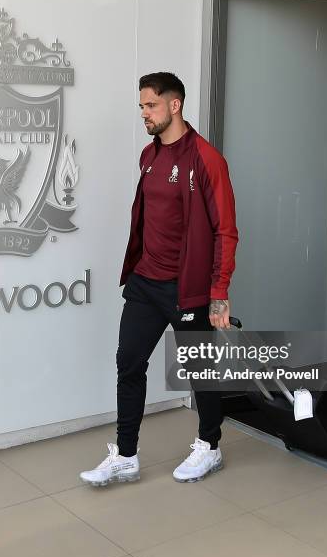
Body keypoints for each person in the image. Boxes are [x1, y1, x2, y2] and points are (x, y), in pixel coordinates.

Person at [80, 72, 238, 486]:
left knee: (199, 368)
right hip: (145, 283)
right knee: (128, 363)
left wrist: (218, 293)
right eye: (141, 107)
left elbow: (225, 229)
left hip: (186, 289)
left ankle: (210, 446)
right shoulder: (148, 157)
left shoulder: (206, 159)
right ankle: (126, 455)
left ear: (175, 105)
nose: (144, 114)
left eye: (150, 105)